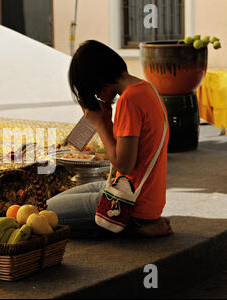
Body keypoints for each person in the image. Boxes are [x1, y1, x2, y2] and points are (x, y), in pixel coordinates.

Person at [47, 40, 173, 238]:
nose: (97, 96)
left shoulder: (129, 100)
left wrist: (100, 124)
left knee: (46, 214)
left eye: (93, 91)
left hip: (130, 204)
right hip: (143, 196)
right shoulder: (146, 88)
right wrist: (106, 121)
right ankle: (145, 223)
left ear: (97, 80)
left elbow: (124, 164)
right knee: (49, 203)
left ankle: (134, 227)